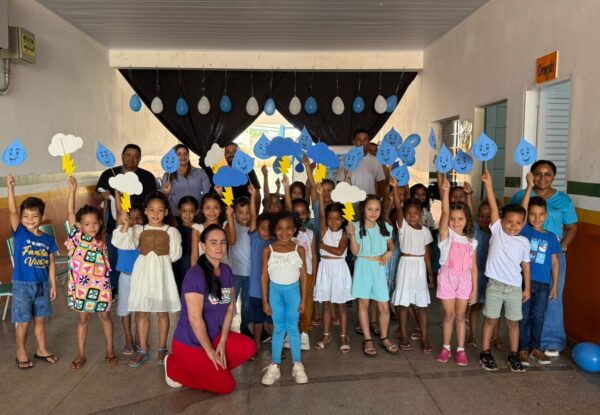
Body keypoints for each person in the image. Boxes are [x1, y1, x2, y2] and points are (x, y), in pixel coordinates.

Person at [165, 224, 256, 393]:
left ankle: (210, 370)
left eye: (223, 242)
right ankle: (173, 366)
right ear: (203, 246)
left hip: (214, 336)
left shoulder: (226, 271)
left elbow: (230, 308)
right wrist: (209, 351)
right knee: (227, 386)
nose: (219, 247)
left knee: (249, 347)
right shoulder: (195, 275)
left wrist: (222, 341)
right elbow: (195, 319)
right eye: (213, 242)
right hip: (190, 343)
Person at [509, 160, 578, 356]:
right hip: (525, 257)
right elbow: (512, 221)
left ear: (554, 177)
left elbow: (572, 228)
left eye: (547, 174)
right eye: (538, 173)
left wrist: (560, 249)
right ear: (531, 174)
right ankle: (523, 343)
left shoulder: (563, 201)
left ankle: (551, 341)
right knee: (524, 298)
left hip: (553, 257)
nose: (542, 177)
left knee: (552, 297)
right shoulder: (521, 196)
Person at [112, 192, 182, 368]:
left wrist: (159, 263)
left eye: (160, 210)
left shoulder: (171, 231)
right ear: (145, 211)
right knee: (142, 312)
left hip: (162, 274)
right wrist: (125, 224)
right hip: (142, 274)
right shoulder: (138, 230)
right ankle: (143, 349)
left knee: (162, 312)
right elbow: (122, 243)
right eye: (151, 210)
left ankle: (162, 347)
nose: (155, 214)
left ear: (166, 212)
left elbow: (175, 254)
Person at [479, 171, 531, 372]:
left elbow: (526, 266)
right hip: (495, 286)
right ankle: (485, 352)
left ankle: (513, 355)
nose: (513, 226)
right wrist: (489, 184)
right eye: (509, 222)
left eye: (518, 223)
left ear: (523, 224)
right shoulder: (498, 231)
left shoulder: (523, 242)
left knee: (513, 322)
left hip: (514, 288)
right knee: (491, 320)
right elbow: (494, 207)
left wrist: (527, 288)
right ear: (501, 221)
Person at [7, 175, 59, 369]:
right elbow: (12, 210)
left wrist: (53, 285)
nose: (30, 220)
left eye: (34, 216)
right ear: (21, 218)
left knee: (40, 320)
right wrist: (10, 188)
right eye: (26, 216)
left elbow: (51, 263)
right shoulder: (20, 233)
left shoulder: (47, 239)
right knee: (23, 321)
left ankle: (41, 350)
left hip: (42, 285)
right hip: (22, 285)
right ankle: (21, 351)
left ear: (41, 217)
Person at [66, 177, 117, 371]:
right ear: (80, 226)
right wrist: (72, 191)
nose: (91, 227)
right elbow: (70, 212)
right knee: (82, 320)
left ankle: (110, 350)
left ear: (99, 223)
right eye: (87, 224)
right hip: (81, 286)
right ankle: (81, 353)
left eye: (95, 223)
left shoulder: (101, 240)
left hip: (100, 286)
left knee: (105, 317)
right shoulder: (77, 237)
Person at [96, 144, 157, 294]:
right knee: (113, 257)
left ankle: (137, 287)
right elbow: (98, 196)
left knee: (135, 257)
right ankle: (114, 288)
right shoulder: (109, 174)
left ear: (140, 159)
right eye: (128, 155)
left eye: (136, 156)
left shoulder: (147, 177)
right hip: (115, 224)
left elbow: (153, 200)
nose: (131, 159)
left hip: (140, 225)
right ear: (122, 156)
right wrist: (103, 196)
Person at [517, 173, 562, 366]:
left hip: (543, 285)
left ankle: (535, 348)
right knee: (523, 317)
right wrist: (529, 186)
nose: (537, 218)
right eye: (532, 214)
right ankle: (522, 349)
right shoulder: (525, 230)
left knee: (538, 317)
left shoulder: (551, 237)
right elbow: (521, 211)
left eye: (541, 214)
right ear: (527, 215)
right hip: (524, 282)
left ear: (546, 215)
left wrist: (555, 285)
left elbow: (555, 262)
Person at [260, 212, 309, 386]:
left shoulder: (299, 249)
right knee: (279, 329)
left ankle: (297, 365)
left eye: (289, 228)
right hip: (275, 294)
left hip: (293, 293)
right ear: (274, 230)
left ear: (294, 229)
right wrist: (265, 301)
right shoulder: (268, 250)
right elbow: (264, 277)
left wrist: (303, 300)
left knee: (293, 328)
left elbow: (303, 276)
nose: (284, 232)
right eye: (280, 229)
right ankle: (275, 366)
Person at [435, 177, 478, 365]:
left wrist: (475, 289)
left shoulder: (471, 241)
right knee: (449, 316)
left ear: (467, 220)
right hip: (447, 278)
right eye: (452, 219)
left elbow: (473, 267)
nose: (455, 222)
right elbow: (445, 212)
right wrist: (445, 192)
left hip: (465, 280)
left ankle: (460, 350)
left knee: (461, 317)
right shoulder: (446, 235)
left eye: (460, 219)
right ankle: (446, 347)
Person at [389, 180, 434, 353]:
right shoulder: (403, 228)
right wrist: (395, 188)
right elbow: (398, 207)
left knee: (422, 306)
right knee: (403, 304)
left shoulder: (425, 231)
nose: (412, 216)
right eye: (409, 213)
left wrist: (431, 274)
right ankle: (404, 336)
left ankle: (425, 337)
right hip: (405, 266)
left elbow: (427, 254)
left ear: (421, 213)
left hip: (420, 268)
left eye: (416, 213)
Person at [349, 195, 396, 357]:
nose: (374, 212)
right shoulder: (355, 226)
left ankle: (384, 337)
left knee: (384, 304)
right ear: (363, 209)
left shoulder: (385, 226)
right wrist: (352, 235)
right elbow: (355, 251)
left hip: (379, 266)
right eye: (370, 209)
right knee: (363, 303)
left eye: (377, 209)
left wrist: (390, 252)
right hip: (363, 265)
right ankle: (367, 338)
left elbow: (391, 244)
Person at [313, 186, 353, 353]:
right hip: (325, 270)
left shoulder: (344, 234)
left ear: (343, 219)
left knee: (341, 306)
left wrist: (323, 246)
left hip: (339, 270)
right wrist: (320, 196)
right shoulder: (324, 230)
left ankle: (343, 335)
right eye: (330, 219)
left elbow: (338, 251)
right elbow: (321, 215)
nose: (333, 222)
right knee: (326, 305)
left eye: (337, 219)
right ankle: (326, 334)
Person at [283, 176, 317, 350]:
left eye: (303, 213)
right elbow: (289, 209)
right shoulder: (289, 234)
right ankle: (291, 332)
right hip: (290, 275)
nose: (299, 216)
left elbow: (314, 256)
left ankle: (304, 333)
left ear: (308, 214)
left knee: (307, 303)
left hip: (307, 274)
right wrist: (286, 188)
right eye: (296, 213)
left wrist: (315, 276)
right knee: (291, 304)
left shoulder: (310, 233)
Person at [113, 201, 144, 355]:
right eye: (131, 217)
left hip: (142, 277)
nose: (134, 221)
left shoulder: (144, 232)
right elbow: (124, 241)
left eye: (139, 218)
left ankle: (139, 337)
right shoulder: (119, 232)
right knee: (125, 309)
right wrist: (125, 224)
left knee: (140, 309)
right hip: (126, 277)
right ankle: (128, 338)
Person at [247, 185, 273, 354]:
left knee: (271, 320)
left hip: (272, 290)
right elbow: (253, 216)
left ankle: (276, 346)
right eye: (262, 228)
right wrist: (253, 196)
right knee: (257, 321)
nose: (265, 231)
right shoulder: (255, 238)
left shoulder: (276, 242)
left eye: (269, 228)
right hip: (256, 290)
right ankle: (256, 345)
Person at [162, 144, 210, 223]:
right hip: (176, 216)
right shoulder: (167, 175)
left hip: (198, 214)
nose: (183, 157)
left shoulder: (200, 172)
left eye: (185, 154)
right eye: (179, 154)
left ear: (188, 155)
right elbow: (165, 198)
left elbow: (206, 194)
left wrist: (201, 210)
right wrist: (175, 213)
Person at [228, 196, 253, 337]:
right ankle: (225, 327)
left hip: (250, 274)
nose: (244, 216)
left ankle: (245, 328)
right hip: (234, 273)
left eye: (248, 212)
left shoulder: (254, 227)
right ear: (235, 213)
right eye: (240, 212)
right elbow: (231, 241)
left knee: (247, 304)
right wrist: (230, 217)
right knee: (229, 303)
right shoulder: (230, 224)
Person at [190, 192, 235, 266]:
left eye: (216, 207)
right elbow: (194, 256)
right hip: (204, 269)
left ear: (221, 209)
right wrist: (194, 272)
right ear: (202, 210)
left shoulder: (224, 226)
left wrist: (230, 218)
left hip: (223, 268)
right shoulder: (197, 229)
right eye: (207, 208)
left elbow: (232, 241)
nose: (212, 212)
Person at [172, 196, 199, 295]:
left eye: (191, 211)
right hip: (177, 269)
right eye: (184, 211)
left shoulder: (199, 229)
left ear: (197, 211)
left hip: (193, 268)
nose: (187, 215)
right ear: (179, 211)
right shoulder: (175, 230)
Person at [347, 129, 385, 196]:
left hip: (369, 200)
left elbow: (381, 183)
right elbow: (340, 183)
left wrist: (378, 198)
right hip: (350, 200)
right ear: (354, 142)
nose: (362, 143)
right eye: (359, 139)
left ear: (369, 142)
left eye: (365, 139)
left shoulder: (376, 161)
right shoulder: (346, 160)